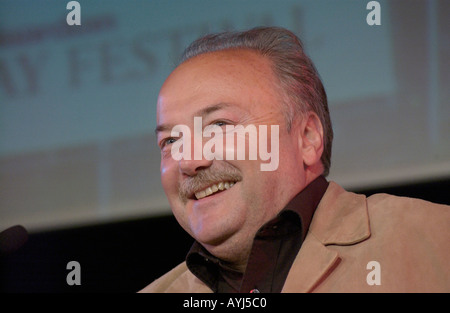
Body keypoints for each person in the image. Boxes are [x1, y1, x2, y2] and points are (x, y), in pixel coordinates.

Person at [140, 26, 449, 293]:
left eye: (219, 126)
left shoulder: (435, 239)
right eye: (171, 140)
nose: (189, 161)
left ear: (307, 138)